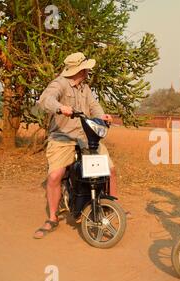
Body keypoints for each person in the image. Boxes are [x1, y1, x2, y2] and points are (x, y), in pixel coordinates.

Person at [33, 52, 117, 239]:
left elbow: (94, 106)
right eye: (86, 68)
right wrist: (60, 107)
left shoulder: (84, 87)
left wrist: (102, 116)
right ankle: (53, 217)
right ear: (79, 69)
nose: (88, 71)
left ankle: (112, 208)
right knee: (55, 175)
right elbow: (46, 99)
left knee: (110, 170)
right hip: (63, 138)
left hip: (85, 137)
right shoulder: (59, 83)